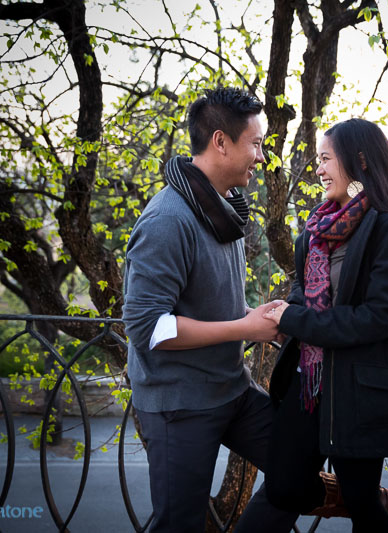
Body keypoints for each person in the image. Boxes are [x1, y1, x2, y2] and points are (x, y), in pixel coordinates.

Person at [121, 86, 297, 533]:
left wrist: (256, 316)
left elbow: (208, 299)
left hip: (229, 391)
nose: (261, 155)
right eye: (255, 143)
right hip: (178, 405)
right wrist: (244, 327)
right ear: (221, 142)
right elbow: (147, 329)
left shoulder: (222, 209)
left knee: (297, 471)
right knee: (178, 525)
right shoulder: (168, 220)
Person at [259, 118, 388, 532]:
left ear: (361, 160)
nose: (317, 169)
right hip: (311, 383)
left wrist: (296, 318)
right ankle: (378, 502)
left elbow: (379, 316)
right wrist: (289, 308)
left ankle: (372, 504)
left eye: (325, 159)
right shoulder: (314, 232)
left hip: (360, 391)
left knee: (359, 501)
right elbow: (305, 289)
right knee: (283, 485)